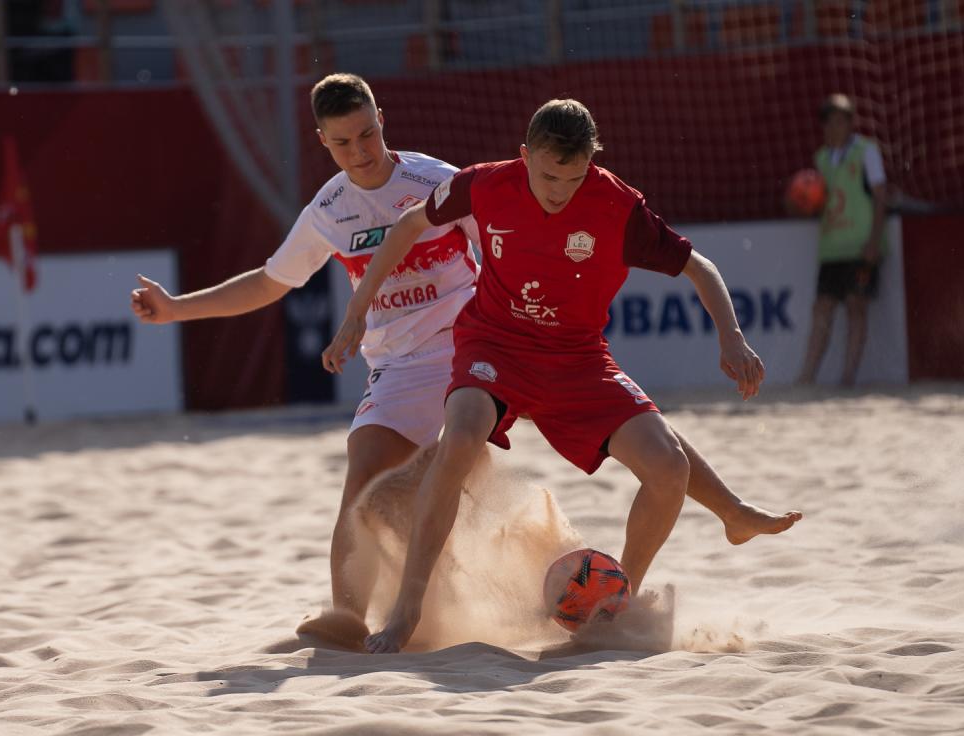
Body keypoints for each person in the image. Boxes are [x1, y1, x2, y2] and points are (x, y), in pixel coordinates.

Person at [135, 78, 796, 637]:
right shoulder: (330, 210)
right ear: (323, 143)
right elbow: (268, 282)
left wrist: (717, 333)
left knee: (642, 444)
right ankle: (350, 619)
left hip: (481, 341)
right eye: (343, 142)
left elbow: (524, 241)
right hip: (417, 362)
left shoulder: (440, 179)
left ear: (382, 120)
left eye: (367, 134)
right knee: (365, 473)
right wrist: (177, 309)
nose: (360, 152)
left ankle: (720, 516)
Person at [323, 99, 795, 654]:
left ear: (592, 161)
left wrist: (732, 337)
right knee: (462, 436)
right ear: (524, 156)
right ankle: (408, 610)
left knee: (668, 467)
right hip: (494, 345)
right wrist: (356, 311)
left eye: (574, 178)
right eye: (548, 176)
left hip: (577, 360)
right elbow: (410, 223)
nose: (559, 191)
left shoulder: (617, 204)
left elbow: (699, 266)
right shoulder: (485, 184)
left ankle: (615, 604)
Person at [795, 93, 888, 387]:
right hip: (832, 249)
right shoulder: (821, 159)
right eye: (830, 122)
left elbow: (881, 197)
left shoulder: (866, 152)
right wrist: (800, 202)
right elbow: (816, 203)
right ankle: (807, 376)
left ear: (850, 123)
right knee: (822, 308)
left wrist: (874, 242)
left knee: (855, 305)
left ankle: (848, 377)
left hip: (860, 247)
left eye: (840, 121)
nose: (835, 127)